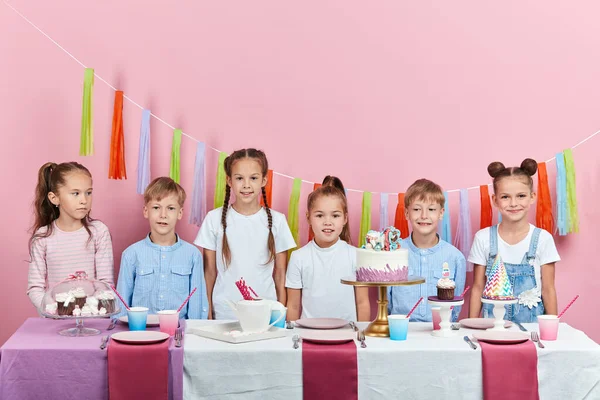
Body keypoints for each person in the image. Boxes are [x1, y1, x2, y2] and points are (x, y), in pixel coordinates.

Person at [195, 148, 296, 319]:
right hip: (224, 313)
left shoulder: (278, 221)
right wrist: (208, 313)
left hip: (265, 313)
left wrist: (280, 317)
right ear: (229, 180)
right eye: (239, 178)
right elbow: (209, 272)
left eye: (254, 178)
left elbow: (280, 274)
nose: (246, 185)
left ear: (264, 180)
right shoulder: (213, 219)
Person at [469, 159, 559, 322]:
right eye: (505, 197)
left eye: (521, 196)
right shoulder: (483, 238)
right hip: (491, 329)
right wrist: (470, 325)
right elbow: (477, 288)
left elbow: (548, 289)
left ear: (532, 197)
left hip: (532, 330)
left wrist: (552, 328)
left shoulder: (543, 239)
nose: (513, 203)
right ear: (495, 200)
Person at [116, 177, 208, 319]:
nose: (163, 215)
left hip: (179, 332)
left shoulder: (193, 255)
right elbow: (121, 304)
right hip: (141, 332)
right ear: (146, 211)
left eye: (170, 208)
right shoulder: (131, 254)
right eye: (156, 208)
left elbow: (197, 303)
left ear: (180, 213)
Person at [27, 162, 114, 309]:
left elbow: (105, 283)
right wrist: (55, 311)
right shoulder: (43, 237)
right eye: (75, 193)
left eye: (88, 192)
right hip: (57, 322)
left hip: (92, 320)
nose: (84, 200)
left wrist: (90, 310)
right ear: (55, 198)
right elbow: (35, 288)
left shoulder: (99, 232)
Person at [286, 177, 370, 321]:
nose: (327, 222)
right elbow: (293, 306)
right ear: (308, 218)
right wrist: (291, 337)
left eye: (335, 215)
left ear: (345, 219)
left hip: (346, 334)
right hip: (308, 333)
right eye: (319, 215)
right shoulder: (298, 257)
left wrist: (361, 335)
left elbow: (362, 303)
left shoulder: (356, 255)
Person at [388, 179, 466, 321]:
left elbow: (456, 306)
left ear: (441, 213)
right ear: (406, 213)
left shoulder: (455, 257)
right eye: (417, 209)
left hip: (441, 333)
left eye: (431, 209)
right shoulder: (392, 253)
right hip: (401, 332)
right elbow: (387, 300)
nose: (424, 216)